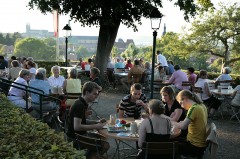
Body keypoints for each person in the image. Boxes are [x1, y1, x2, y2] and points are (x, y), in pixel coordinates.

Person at [66, 82, 109, 155]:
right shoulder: (80, 105)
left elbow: (82, 121)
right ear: (86, 92)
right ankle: (88, 156)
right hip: (75, 138)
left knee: (103, 138)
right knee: (105, 145)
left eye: (97, 94)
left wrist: (96, 122)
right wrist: (96, 126)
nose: (96, 96)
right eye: (94, 94)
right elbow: (77, 127)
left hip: (77, 135)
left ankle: (92, 154)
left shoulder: (81, 102)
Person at [173, 90, 207, 157]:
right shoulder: (201, 105)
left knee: (169, 146)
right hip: (199, 143)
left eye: (181, 103)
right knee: (175, 140)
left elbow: (183, 126)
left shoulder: (194, 108)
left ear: (184, 98)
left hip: (195, 146)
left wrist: (170, 122)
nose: (182, 106)